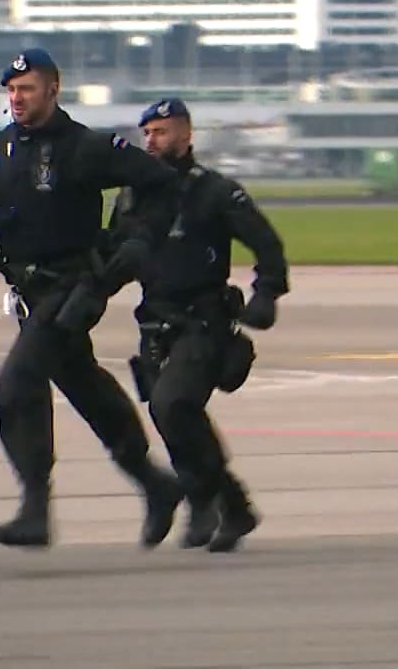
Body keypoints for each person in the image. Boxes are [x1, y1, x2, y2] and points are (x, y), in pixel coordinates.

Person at [0, 48, 186, 549]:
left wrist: (134, 238)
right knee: (84, 385)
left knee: (16, 384)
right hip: (28, 294)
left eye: (27, 88)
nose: (17, 98)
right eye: (11, 89)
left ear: (53, 90)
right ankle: (156, 483)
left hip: (73, 288)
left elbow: (162, 184)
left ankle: (34, 508)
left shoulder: (85, 147)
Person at [113, 97, 287, 553]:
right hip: (155, 324)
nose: (152, 140)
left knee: (173, 405)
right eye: (147, 133)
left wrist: (266, 292)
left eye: (162, 131)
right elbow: (109, 254)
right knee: (171, 419)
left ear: (187, 135)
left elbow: (266, 242)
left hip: (203, 322)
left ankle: (212, 500)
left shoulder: (214, 191)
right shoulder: (132, 197)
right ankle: (224, 504)